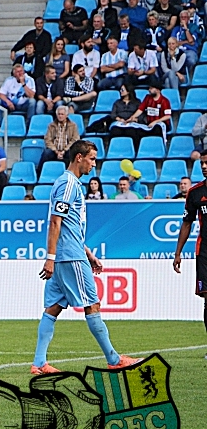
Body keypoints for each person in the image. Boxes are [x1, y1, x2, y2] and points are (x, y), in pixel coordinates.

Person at [32, 139, 141, 375]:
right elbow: (55, 222)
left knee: (52, 308)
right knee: (92, 304)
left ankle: (39, 362)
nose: (94, 164)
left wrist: (88, 252)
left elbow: (70, 226)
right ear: (79, 157)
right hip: (68, 257)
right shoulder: (69, 184)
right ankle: (113, 359)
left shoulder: (67, 184)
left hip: (69, 253)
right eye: (91, 158)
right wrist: (50, 257)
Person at [174, 156, 207, 349]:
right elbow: (187, 223)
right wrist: (178, 253)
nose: (204, 166)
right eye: (202, 163)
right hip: (204, 253)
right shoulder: (195, 193)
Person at [39, 106, 80, 171]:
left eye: (62, 114)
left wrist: (64, 150)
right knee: (46, 153)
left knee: (71, 154)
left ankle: (70, 175)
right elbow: (47, 139)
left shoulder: (73, 125)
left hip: (67, 150)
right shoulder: (51, 125)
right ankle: (39, 173)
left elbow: (75, 139)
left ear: (66, 115)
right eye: (59, 114)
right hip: (54, 150)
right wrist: (56, 151)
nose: (60, 116)